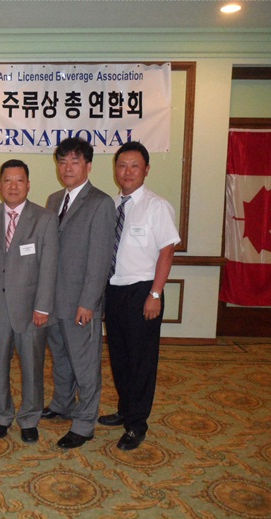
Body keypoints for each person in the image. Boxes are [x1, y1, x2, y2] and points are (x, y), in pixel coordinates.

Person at [99, 141, 180, 450]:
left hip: (143, 290)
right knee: (119, 357)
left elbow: (167, 253)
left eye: (134, 166)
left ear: (146, 170)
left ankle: (136, 425)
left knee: (141, 361)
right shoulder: (112, 205)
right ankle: (125, 409)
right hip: (114, 290)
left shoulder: (157, 206)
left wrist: (155, 294)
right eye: (122, 165)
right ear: (115, 170)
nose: (127, 171)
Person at [42, 137, 116, 449]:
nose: (67, 168)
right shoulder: (53, 199)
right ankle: (62, 404)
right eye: (62, 161)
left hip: (81, 304)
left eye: (75, 161)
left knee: (85, 364)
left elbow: (100, 259)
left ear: (88, 166)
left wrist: (88, 302)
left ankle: (84, 424)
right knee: (60, 358)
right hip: (53, 300)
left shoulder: (100, 203)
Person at [0, 159, 58, 443]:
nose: (13, 186)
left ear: (28, 184)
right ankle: (1, 415)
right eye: (7, 180)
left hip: (31, 309)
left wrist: (43, 306)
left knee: (33, 366)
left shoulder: (45, 218)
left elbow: (49, 266)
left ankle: (29, 418)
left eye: (19, 180)